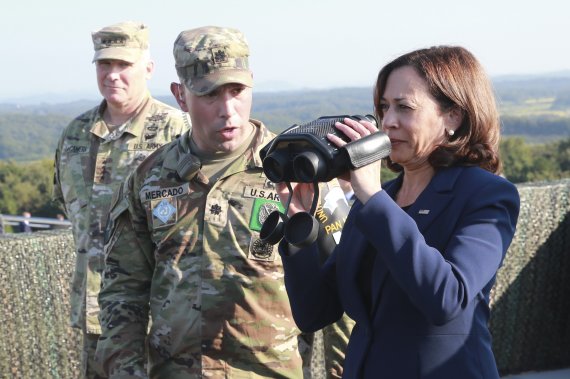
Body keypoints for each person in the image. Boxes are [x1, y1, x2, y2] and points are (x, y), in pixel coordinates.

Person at [96, 25, 352, 378]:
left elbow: (348, 287)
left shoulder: (301, 171)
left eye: (237, 90)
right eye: (210, 95)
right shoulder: (149, 179)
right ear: (180, 96)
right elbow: (123, 292)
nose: (228, 109)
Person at [278, 46, 520, 378]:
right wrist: (300, 225)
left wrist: (373, 197)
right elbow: (314, 312)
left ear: (453, 117)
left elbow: (447, 298)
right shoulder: (378, 202)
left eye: (404, 108)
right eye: (383, 107)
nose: (388, 122)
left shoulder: (486, 195)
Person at [53, 21, 190, 379]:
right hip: (95, 318)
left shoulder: (178, 132)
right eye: (104, 64)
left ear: (148, 68)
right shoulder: (75, 135)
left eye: (124, 65)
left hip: (157, 319)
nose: (113, 75)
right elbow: (70, 209)